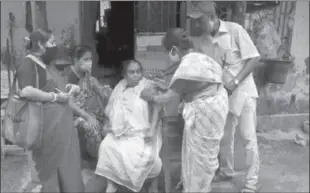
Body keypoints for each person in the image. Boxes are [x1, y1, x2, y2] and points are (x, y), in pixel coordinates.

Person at [140, 28, 229, 193]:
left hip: (206, 113)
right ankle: (198, 185)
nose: (169, 56)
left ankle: (197, 188)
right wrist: (165, 86)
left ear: (174, 49)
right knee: (204, 157)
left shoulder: (186, 66)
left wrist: (148, 96)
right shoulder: (202, 58)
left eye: (168, 52)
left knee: (199, 160)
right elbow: (190, 86)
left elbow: (168, 98)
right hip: (218, 106)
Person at [187, 2, 261, 193]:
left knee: (248, 138)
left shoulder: (235, 31)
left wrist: (235, 81)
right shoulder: (204, 40)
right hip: (223, 96)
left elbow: (254, 58)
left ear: (211, 18)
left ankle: (251, 182)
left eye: (199, 21)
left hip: (243, 92)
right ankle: (226, 171)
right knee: (225, 138)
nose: (197, 26)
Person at [17, 29, 84, 192]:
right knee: (51, 174)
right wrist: (54, 97)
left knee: (67, 171)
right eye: (52, 43)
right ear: (40, 44)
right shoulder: (28, 63)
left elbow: (52, 85)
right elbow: (25, 91)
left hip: (62, 128)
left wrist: (69, 88)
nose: (55, 46)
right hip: (47, 129)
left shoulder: (46, 64)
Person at [86, 59, 162, 193]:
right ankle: (112, 184)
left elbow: (157, 108)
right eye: (132, 72)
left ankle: (137, 185)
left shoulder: (147, 86)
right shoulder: (120, 87)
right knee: (106, 146)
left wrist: (152, 129)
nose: (136, 75)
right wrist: (108, 125)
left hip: (141, 132)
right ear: (124, 75)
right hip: (120, 132)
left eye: (139, 71)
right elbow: (112, 110)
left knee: (145, 158)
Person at [62, 45, 112, 161]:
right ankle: (97, 159)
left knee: (112, 122)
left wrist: (105, 91)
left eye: (90, 59)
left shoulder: (88, 76)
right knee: (91, 127)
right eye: (86, 59)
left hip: (91, 112)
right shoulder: (67, 77)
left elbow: (101, 95)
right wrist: (87, 117)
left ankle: (109, 156)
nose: (89, 62)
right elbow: (68, 103)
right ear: (76, 60)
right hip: (74, 114)